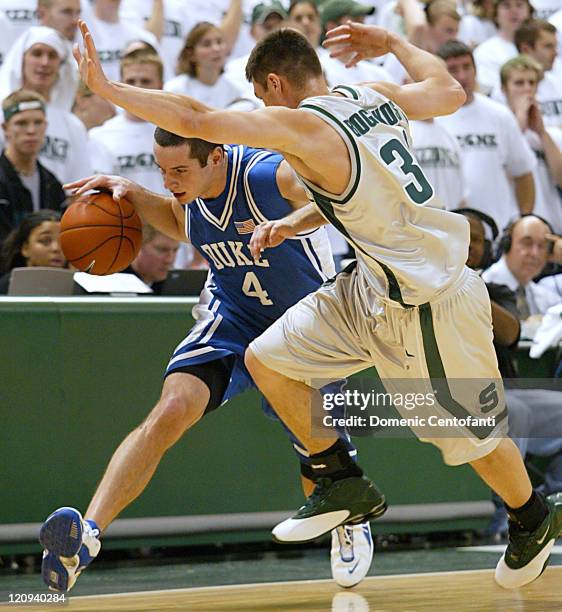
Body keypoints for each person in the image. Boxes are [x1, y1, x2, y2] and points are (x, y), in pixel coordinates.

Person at [65, 18, 562, 591]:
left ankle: (532, 516)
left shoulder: (304, 128)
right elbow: (447, 91)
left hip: (427, 300)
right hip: (372, 281)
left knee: (464, 439)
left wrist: (107, 89)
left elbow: (195, 120)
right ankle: (340, 479)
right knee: (266, 356)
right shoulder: (370, 96)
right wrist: (397, 43)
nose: (259, 111)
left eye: (258, 98)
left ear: (275, 85)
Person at [39, 127, 374, 591]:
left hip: (304, 321)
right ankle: (87, 538)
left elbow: (336, 197)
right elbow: (180, 222)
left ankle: (346, 517)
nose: (170, 181)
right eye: (161, 170)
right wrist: (133, 192)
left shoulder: (265, 175)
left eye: (179, 170)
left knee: (315, 452)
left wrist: (295, 222)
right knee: (170, 409)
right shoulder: (189, 195)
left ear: (215, 158)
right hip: (233, 315)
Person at [437, 40, 536, 231]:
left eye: (467, 67)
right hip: (450, 229)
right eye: (453, 69)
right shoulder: (433, 118)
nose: (462, 76)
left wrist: (523, 220)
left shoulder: (499, 115)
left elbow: (523, 171)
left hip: (497, 226)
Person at [0, 26, 92, 184]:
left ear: (60, 66)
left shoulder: (72, 126)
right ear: (22, 59)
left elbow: (81, 183)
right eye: (37, 53)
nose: (44, 62)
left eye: (52, 56)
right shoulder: (3, 113)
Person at [88, 52, 168, 193]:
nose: (136, 88)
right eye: (130, 81)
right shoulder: (100, 136)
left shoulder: (178, 133)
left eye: (145, 81)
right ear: (120, 84)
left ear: (161, 85)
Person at [500, 55, 562, 233]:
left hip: (551, 225)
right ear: (504, 89)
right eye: (519, 83)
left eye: (531, 83)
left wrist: (542, 133)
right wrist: (518, 124)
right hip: (514, 225)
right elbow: (500, 175)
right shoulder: (501, 133)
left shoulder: (551, 134)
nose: (527, 89)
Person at [0, 89, 66, 244]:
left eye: (38, 123)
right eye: (21, 123)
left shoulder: (53, 184)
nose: (31, 131)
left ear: (46, 126)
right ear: (5, 128)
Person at [482, 214, 561, 317]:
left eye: (542, 246)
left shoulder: (544, 296)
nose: (535, 253)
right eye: (527, 243)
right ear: (507, 244)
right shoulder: (482, 287)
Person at [163, 21, 244, 109]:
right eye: (206, 44)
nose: (216, 49)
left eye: (219, 42)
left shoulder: (235, 91)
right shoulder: (175, 89)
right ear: (191, 54)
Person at [0, 209, 65, 293]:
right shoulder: (4, 288)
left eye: (63, 242)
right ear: (25, 248)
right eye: (45, 240)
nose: (56, 248)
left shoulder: (79, 288)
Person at [123, 223, 179, 294]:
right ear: (138, 247)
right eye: (162, 250)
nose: (169, 260)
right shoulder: (113, 282)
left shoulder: (174, 288)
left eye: (175, 250)